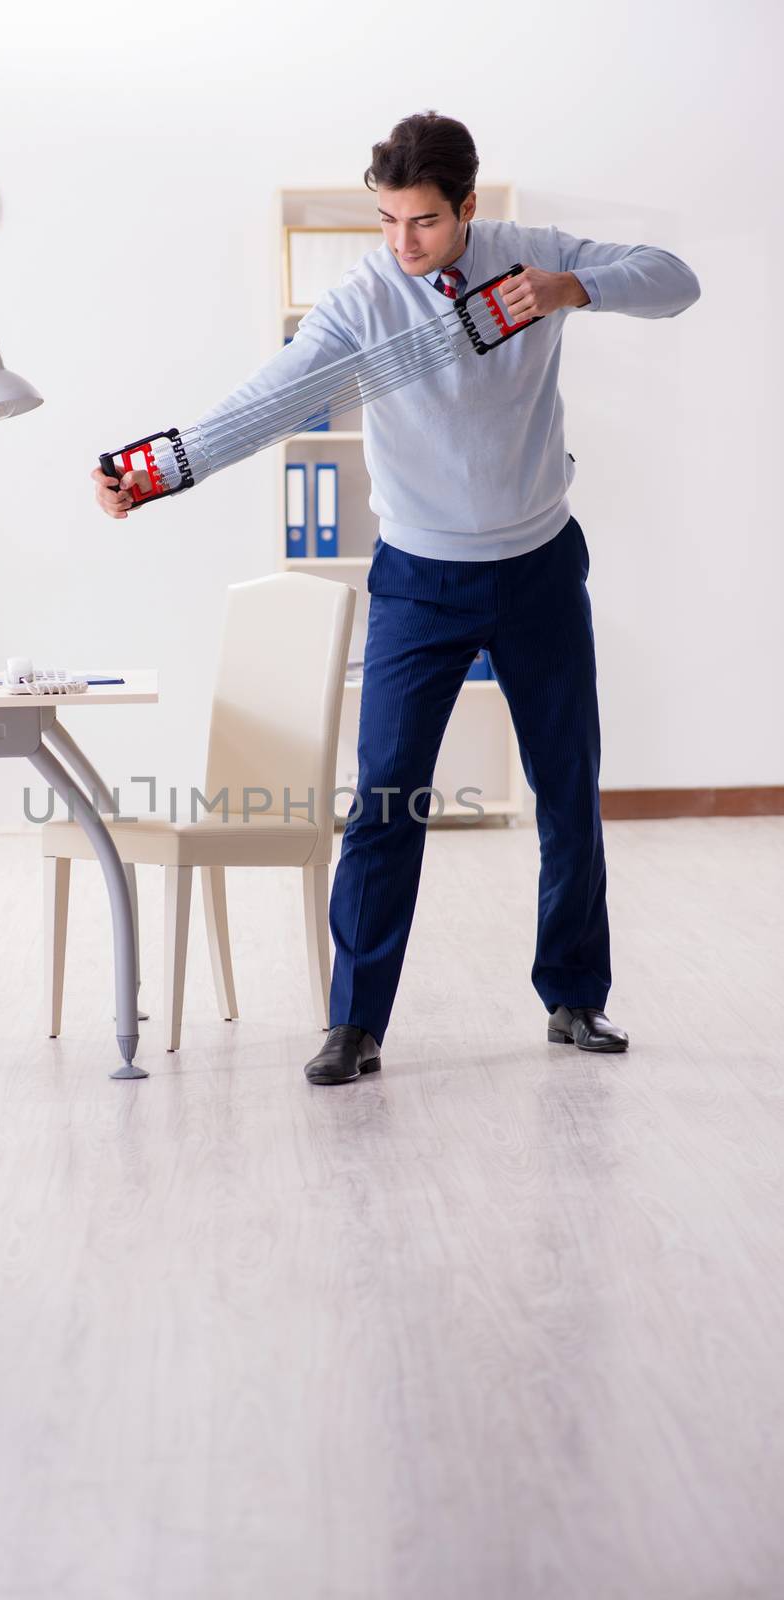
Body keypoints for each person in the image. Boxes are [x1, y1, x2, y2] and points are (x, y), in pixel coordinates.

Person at [90, 109, 701, 1086]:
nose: (401, 242)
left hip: (540, 563)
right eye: (385, 220)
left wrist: (570, 289)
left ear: (466, 208)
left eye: (420, 221)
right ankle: (355, 1024)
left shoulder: (534, 254)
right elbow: (266, 402)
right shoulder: (363, 301)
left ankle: (577, 997)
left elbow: (678, 281)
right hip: (420, 578)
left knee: (566, 791)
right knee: (383, 803)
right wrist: (153, 471)